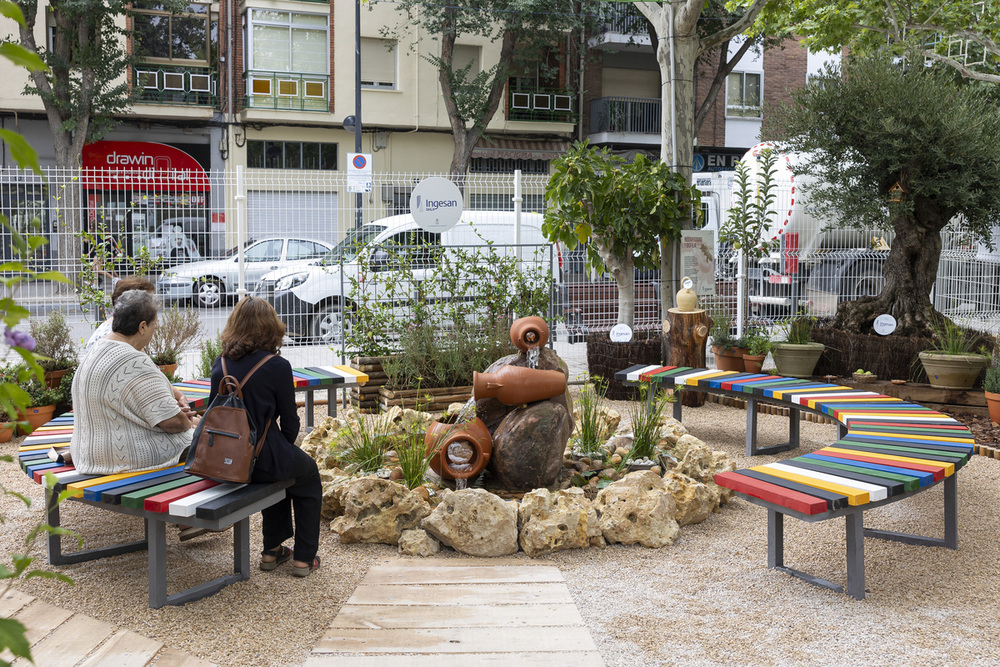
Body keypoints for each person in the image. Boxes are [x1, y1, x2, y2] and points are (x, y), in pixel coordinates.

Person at [210, 296, 321, 577]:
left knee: (282, 469)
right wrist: (281, 447)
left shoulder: (221, 363)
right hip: (264, 456)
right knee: (307, 475)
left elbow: (215, 412)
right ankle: (304, 558)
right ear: (271, 327)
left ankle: (272, 550)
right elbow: (291, 419)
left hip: (227, 460)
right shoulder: (276, 366)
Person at [70, 290, 199, 475]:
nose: (154, 332)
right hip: (126, 459)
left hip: (88, 455)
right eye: (155, 325)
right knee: (211, 439)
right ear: (143, 327)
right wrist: (186, 421)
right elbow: (173, 422)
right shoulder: (134, 361)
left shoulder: (97, 348)